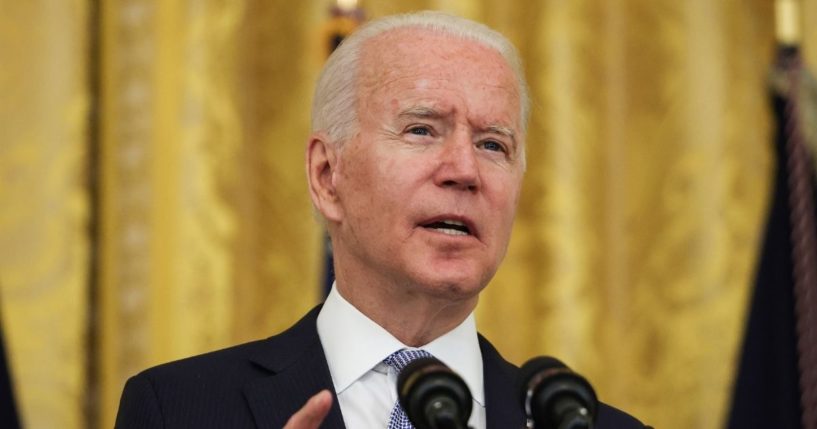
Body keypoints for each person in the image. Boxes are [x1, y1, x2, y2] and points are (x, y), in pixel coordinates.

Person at [115, 11, 646, 428]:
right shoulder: (177, 409)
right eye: (421, 130)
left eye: (492, 144)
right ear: (328, 176)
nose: (464, 170)